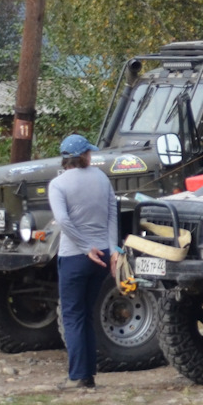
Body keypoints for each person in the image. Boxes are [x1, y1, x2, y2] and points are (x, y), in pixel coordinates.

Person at [46, 134, 118, 389]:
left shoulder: (58, 184)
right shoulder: (101, 177)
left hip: (75, 255)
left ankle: (78, 376)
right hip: (102, 255)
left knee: (73, 316)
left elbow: (63, 221)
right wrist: (111, 249)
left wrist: (86, 247)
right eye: (89, 152)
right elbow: (112, 213)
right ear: (84, 156)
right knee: (86, 314)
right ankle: (88, 374)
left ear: (66, 158)